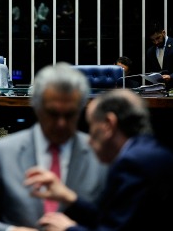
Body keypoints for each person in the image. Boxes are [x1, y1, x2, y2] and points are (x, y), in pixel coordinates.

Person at [0, 62, 108, 231]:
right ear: (37, 107)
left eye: (69, 114)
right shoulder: (3, 152)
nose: (61, 124)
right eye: (53, 114)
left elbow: (116, 222)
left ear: (81, 109)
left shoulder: (101, 153)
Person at [25, 89, 173, 231]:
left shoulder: (132, 163)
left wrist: (68, 229)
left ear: (109, 124)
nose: (89, 141)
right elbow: (114, 218)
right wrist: (69, 197)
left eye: (91, 126)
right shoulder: (149, 151)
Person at [145, 19, 173, 89]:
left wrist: (171, 76)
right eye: (153, 40)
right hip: (160, 91)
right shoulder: (150, 51)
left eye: (158, 38)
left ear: (163, 33)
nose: (156, 42)